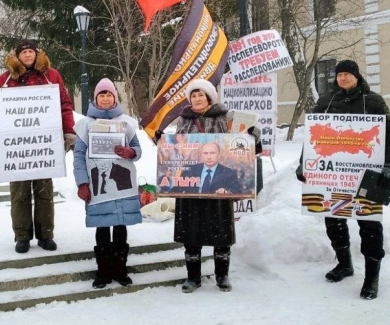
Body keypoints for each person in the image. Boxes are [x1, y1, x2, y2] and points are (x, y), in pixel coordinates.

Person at [295, 59, 390, 300]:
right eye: (339, 75)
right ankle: (345, 264)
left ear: (356, 76)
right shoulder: (326, 100)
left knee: (369, 223)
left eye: (347, 74)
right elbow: (312, 136)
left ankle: (372, 277)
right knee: (333, 220)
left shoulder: (373, 101)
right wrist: (304, 162)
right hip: (332, 176)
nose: (342, 78)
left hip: (365, 174)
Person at [156, 79, 260, 293]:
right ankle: (192, 277)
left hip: (220, 184)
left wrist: (251, 135)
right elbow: (175, 152)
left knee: (221, 233)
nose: (197, 99)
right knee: (191, 234)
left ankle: (222, 276)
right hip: (191, 184)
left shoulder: (226, 117)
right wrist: (162, 142)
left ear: (209, 97)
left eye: (201, 95)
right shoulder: (183, 120)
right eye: (193, 95)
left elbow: (250, 142)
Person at [0, 40, 76, 253]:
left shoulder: (51, 75)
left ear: (36, 54)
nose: (28, 55)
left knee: (44, 192)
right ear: (17, 56)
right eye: (24, 52)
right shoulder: (5, 79)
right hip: (17, 149)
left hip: (44, 146)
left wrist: (69, 131)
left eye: (31, 51)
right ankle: (22, 236)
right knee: (19, 194)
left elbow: (65, 105)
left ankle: (45, 234)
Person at [73, 79, 142, 288]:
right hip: (97, 184)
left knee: (120, 226)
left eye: (109, 95)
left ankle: (120, 269)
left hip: (121, 182)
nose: (105, 98)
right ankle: (103, 271)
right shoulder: (85, 124)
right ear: (96, 99)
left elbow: (137, 149)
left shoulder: (126, 122)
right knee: (102, 227)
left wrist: (131, 152)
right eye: (101, 95)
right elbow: (78, 155)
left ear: (115, 98)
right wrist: (82, 183)